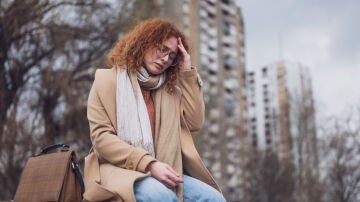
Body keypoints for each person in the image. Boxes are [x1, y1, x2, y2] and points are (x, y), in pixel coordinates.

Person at [83, 18, 226, 202]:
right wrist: (149, 164)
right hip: (116, 170)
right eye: (161, 48)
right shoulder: (107, 81)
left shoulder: (169, 91)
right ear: (143, 43)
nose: (165, 58)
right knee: (160, 195)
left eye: (172, 55)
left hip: (163, 169)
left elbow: (195, 122)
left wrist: (187, 70)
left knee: (214, 199)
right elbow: (102, 139)